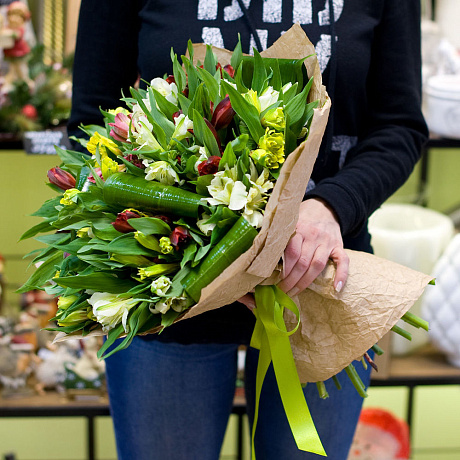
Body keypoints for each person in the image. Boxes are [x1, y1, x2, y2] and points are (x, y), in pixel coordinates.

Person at [68, 1, 427, 458]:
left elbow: (399, 127)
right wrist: (185, 213)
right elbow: (91, 123)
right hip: (168, 284)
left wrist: (330, 207)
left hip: (318, 281)